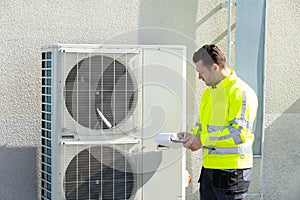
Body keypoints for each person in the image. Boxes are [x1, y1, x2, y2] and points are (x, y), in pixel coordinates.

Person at [178, 44, 258, 200]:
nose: (199, 77)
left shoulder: (241, 93)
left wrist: (201, 140)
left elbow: (238, 134)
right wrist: (190, 137)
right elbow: (202, 126)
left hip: (232, 173)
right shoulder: (209, 93)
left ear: (215, 67)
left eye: (201, 72)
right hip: (209, 170)